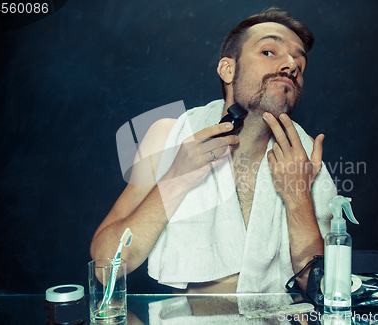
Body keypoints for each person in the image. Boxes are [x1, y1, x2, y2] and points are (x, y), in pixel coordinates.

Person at [90, 7, 337, 294]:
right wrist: (176, 179)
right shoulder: (169, 135)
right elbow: (106, 267)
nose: (291, 65)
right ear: (227, 69)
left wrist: (298, 197)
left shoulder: (303, 154)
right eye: (269, 52)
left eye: (299, 63)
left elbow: (321, 288)